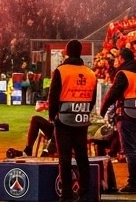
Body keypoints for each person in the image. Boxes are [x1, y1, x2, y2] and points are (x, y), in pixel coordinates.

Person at [48, 39, 96, 202]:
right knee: (83, 156)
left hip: (64, 120)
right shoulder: (90, 73)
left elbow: (53, 96)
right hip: (81, 119)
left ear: (67, 52)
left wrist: (52, 115)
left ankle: (67, 194)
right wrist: (83, 112)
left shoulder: (61, 71)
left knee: (65, 158)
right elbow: (92, 99)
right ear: (81, 52)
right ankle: (85, 191)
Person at [102, 46, 136, 194]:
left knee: (130, 149)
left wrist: (103, 110)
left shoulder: (123, 74)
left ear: (122, 58)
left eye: (118, 58)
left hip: (128, 113)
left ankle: (133, 183)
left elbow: (113, 94)